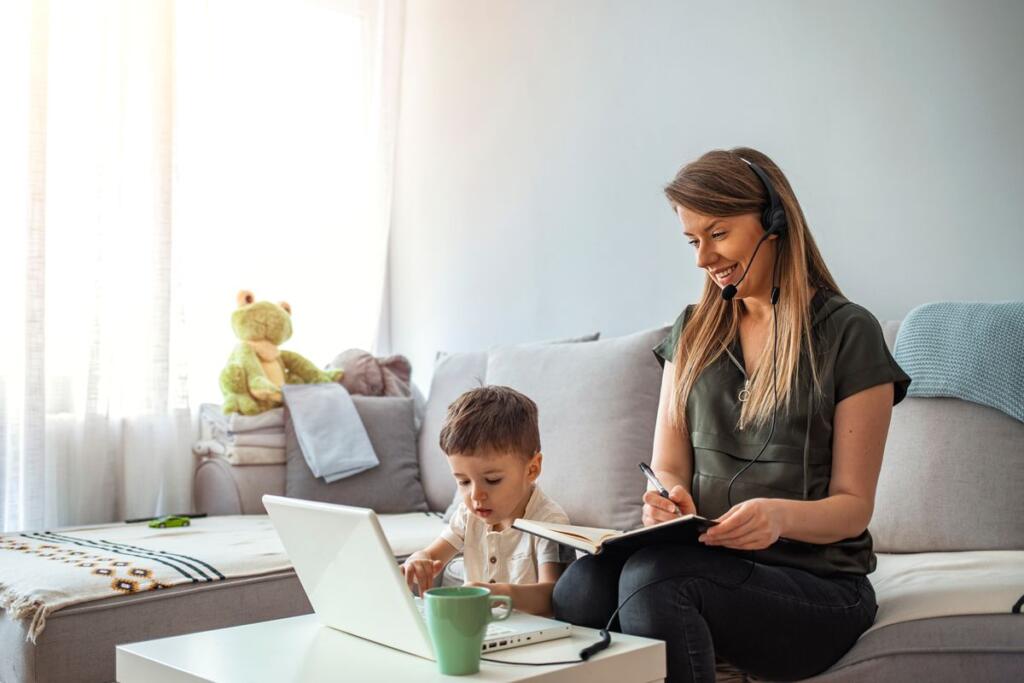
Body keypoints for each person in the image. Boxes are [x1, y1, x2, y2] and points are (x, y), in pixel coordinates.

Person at [551, 147, 910, 682]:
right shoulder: (694, 331)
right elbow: (667, 467)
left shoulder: (848, 333)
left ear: (773, 222)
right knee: (580, 586)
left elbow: (853, 508)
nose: (703, 258)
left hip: (818, 587)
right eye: (693, 241)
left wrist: (779, 517)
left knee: (654, 581)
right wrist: (668, 501)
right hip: (711, 566)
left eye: (717, 235)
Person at [401, 385, 570, 616]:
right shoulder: (468, 515)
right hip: (480, 627)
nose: (475, 495)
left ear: (532, 469)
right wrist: (419, 559)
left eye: (492, 480)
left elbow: (552, 597)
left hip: (530, 633)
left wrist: (494, 594)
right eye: (463, 482)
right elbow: (430, 556)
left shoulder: (550, 521)